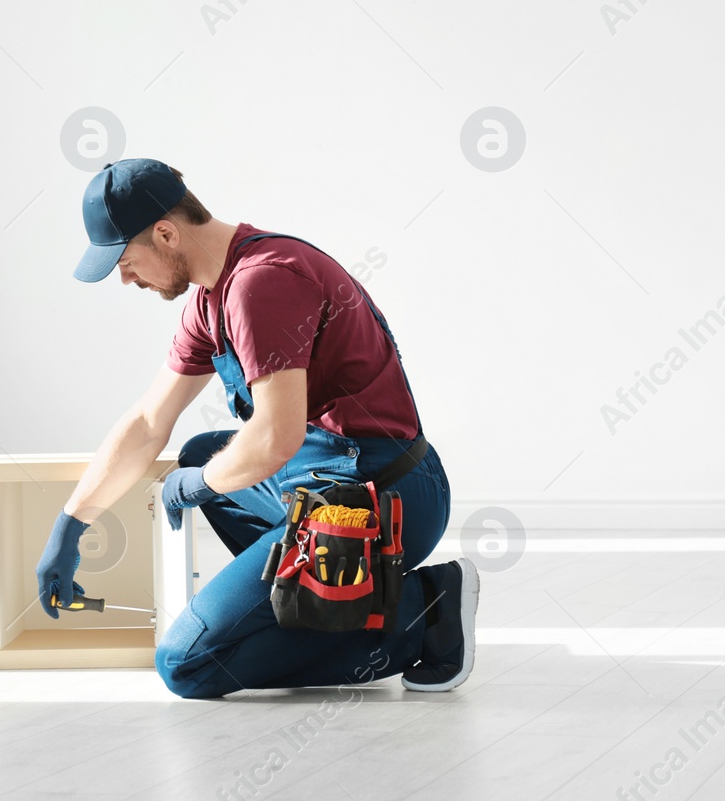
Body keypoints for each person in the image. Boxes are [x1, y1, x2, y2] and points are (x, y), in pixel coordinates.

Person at [35, 158, 478, 697]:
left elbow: (273, 439)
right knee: (202, 453)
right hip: (320, 482)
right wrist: (72, 524)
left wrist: (194, 487)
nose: (126, 279)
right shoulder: (210, 295)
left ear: (166, 233)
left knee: (187, 665)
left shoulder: (261, 284)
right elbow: (150, 420)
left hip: (381, 493)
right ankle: (315, 601)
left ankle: (424, 609)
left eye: (125, 261)